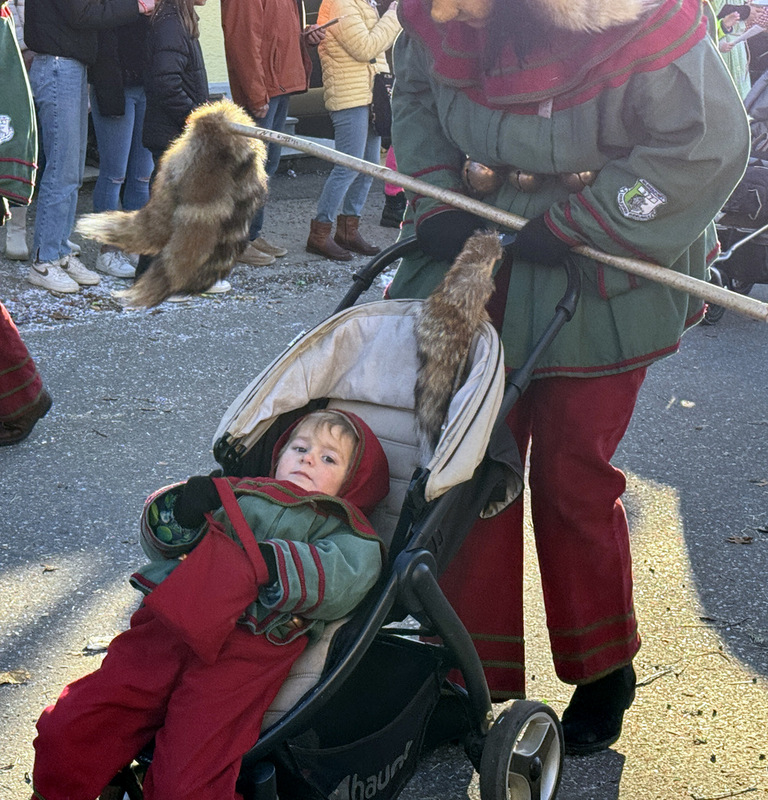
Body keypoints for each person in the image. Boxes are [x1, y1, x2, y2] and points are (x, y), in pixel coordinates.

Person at [387, 0, 749, 755]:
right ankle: (465, 672)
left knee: (571, 475)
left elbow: (705, 144)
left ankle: (603, 666)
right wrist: (433, 193)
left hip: (600, 254)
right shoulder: (437, 12)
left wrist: (586, 221)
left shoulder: (642, 18)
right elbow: (414, 94)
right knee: (465, 467)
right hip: (476, 246)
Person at [31, 409, 390, 800]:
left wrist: (271, 561)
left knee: (187, 778)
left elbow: (346, 579)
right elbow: (161, 546)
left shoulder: (347, 530)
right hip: (172, 622)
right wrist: (184, 512)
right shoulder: (239, 491)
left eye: (328, 458)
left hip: (247, 647)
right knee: (71, 728)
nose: (307, 460)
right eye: (300, 448)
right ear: (279, 454)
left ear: (354, 482)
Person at [23, 0, 154, 295]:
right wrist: (137, 7)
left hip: (69, 65)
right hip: (58, 65)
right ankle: (44, 261)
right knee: (62, 169)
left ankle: (59, 251)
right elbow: (83, 13)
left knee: (71, 171)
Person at [221, 0, 324, 268]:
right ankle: (237, 241)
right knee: (251, 170)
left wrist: (304, 38)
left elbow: (275, 32)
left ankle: (252, 235)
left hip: (277, 84)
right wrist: (256, 94)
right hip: (265, 88)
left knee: (267, 166)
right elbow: (243, 40)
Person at [138, 0, 230, 296]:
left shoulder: (178, 19)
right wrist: (194, 117)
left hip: (175, 132)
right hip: (172, 133)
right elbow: (166, 83)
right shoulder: (171, 23)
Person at [305, 0, 401, 261]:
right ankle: (319, 233)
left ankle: (348, 231)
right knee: (348, 166)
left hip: (371, 94)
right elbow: (365, 48)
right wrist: (393, 15)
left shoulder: (365, 3)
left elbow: (375, 51)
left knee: (369, 166)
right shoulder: (342, 3)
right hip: (350, 98)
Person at [88, 18, 154, 279]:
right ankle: (108, 250)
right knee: (114, 173)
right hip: (114, 84)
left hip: (146, 84)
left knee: (142, 175)